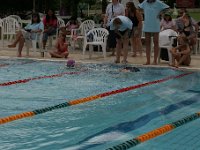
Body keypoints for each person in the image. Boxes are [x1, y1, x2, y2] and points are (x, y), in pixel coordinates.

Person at [138, 0, 169, 65]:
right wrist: (143, 12)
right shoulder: (144, 2)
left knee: (156, 42)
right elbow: (139, 8)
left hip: (155, 24)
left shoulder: (158, 2)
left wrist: (160, 13)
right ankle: (148, 60)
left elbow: (167, 8)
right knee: (147, 43)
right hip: (147, 24)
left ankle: (155, 60)